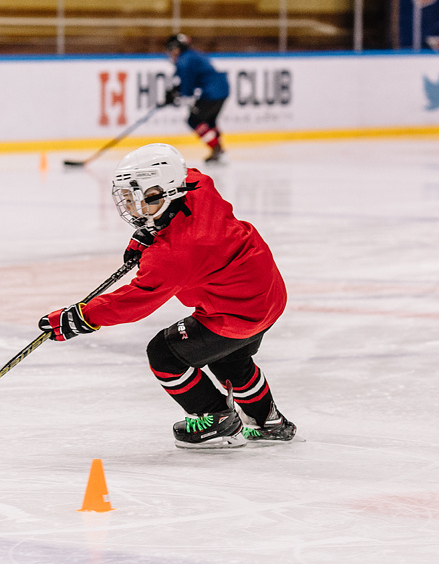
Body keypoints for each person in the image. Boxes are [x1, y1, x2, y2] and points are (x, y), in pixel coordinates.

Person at [39, 143, 296, 449]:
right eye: (127, 198)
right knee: (230, 361)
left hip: (236, 313)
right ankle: (269, 422)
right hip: (268, 295)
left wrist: (83, 317)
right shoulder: (197, 186)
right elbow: (188, 175)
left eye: (136, 199)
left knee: (165, 354)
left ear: (163, 193)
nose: (130, 207)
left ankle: (216, 418)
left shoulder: (177, 252)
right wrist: (149, 232)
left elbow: (136, 300)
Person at [164, 33, 230, 164]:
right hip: (221, 90)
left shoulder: (184, 60)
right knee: (209, 121)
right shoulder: (192, 55)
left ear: (176, 48)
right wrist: (176, 91)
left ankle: (216, 148)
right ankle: (218, 149)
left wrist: (176, 94)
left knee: (194, 120)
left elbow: (187, 86)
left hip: (211, 93)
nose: (170, 53)